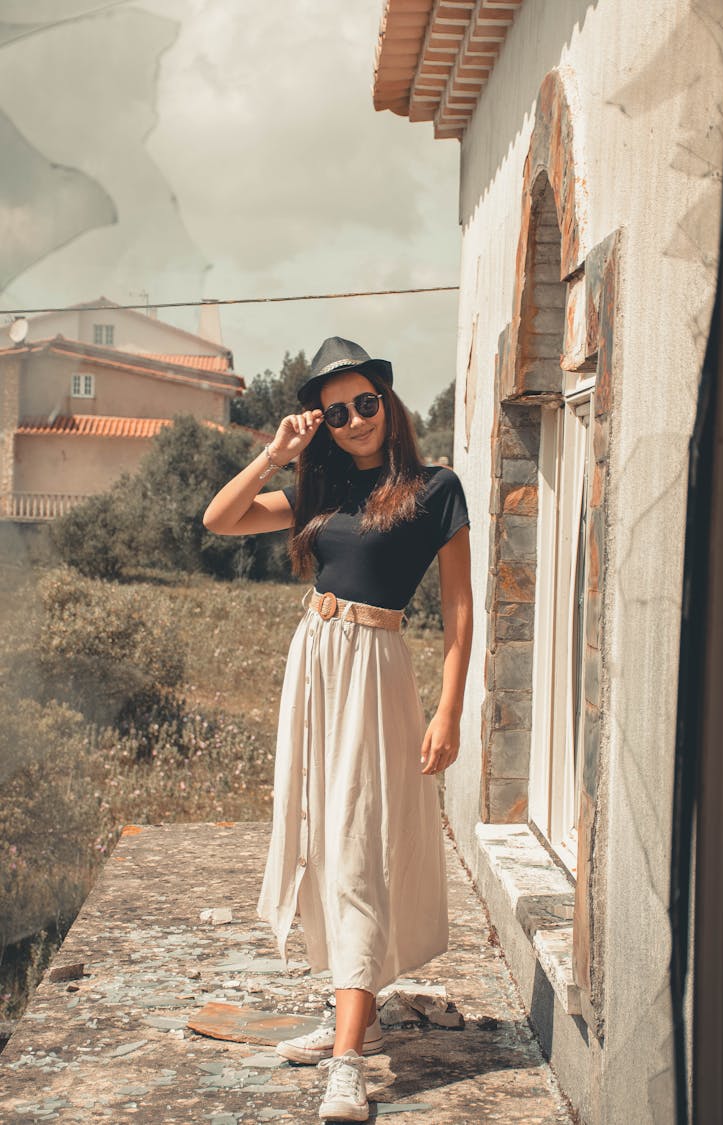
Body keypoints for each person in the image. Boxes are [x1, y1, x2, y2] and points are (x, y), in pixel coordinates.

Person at [203, 337, 472, 1122]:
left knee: (357, 842)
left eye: (364, 403)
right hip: (313, 663)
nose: (353, 419)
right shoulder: (318, 490)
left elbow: (458, 609)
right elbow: (219, 518)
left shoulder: (435, 489)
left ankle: (349, 1060)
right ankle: (352, 1008)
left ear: (388, 404)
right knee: (321, 835)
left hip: (375, 667)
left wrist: (449, 707)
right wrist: (277, 451)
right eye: (335, 411)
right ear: (320, 420)